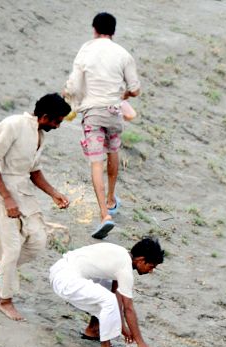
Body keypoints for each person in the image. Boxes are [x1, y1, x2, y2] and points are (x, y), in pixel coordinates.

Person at [0, 93, 71, 321]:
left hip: (23, 192)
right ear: (45, 116)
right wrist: (7, 198)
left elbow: (34, 171)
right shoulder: (12, 125)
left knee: (38, 241)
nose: (58, 126)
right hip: (1, 191)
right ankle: (5, 300)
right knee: (11, 248)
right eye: (57, 121)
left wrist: (54, 193)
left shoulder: (40, 135)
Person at [63, 11, 141, 239]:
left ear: (94, 29)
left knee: (96, 163)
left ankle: (104, 214)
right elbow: (135, 89)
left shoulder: (86, 50)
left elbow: (75, 86)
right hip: (114, 111)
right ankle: (111, 198)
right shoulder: (123, 54)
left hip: (92, 113)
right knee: (113, 151)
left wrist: (69, 98)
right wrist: (122, 94)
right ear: (114, 31)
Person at [49, 237, 163, 347]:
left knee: (108, 290)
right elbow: (128, 308)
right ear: (141, 259)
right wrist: (141, 343)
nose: (150, 271)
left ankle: (92, 330)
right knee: (108, 300)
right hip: (64, 279)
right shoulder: (125, 268)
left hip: (64, 272)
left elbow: (118, 296)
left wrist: (122, 327)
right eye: (151, 266)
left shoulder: (122, 256)